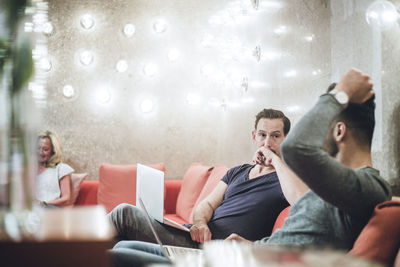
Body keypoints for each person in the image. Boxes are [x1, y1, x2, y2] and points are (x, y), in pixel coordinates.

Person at [108, 109, 307, 267]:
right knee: (121, 232)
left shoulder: (286, 178)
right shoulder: (237, 171)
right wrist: (201, 223)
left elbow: (302, 202)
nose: (267, 142)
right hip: (192, 236)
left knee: (122, 221)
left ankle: (79, 253)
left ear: (286, 140)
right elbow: (207, 204)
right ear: (254, 136)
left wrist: (275, 160)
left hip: (214, 251)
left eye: (275, 136)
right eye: (262, 135)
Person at [228, 68, 392, 251]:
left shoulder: (371, 187)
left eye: (321, 130)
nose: (317, 138)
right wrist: (251, 247)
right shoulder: (335, 186)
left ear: (339, 132)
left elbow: (294, 148)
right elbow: (293, 242)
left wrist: (340, 94)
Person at [36, 130, 74, 207]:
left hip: (51, 209)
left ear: (53, 151)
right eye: (38, 148)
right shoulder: (28, 170)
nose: (40, 152)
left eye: (45, 149)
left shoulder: (61, 169)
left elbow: (66, 199)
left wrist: (44, 203)